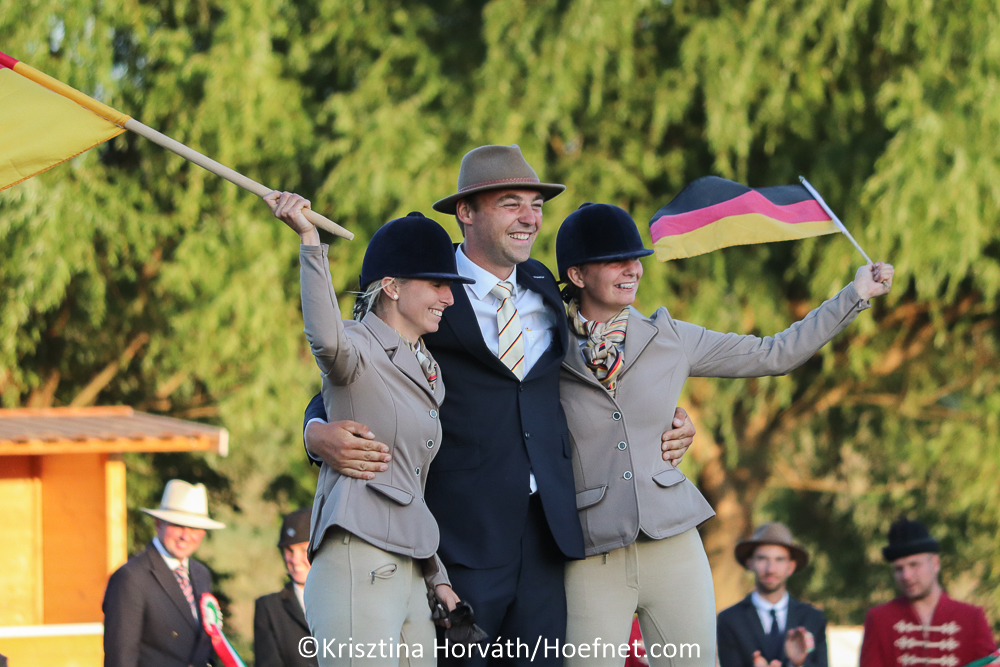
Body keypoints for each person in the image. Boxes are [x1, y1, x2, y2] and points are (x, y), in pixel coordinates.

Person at [301, 145, 697, 666]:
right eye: (511, 204)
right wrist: (315, 431)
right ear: (466, 212)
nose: (530, 218)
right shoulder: (427, 291)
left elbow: (603, 365)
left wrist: (666, 418)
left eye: (535, 205)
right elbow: (355, 371)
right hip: (460, 533)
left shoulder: (546, 289)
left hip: (549, 537)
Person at [554, 202, 893, 667]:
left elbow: (774, 353)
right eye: (616, 260)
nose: (633, 270)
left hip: (673, 543)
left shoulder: (671, 337)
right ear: (576, 274)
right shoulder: (545, 347)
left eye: (636, 259)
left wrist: (854, 294)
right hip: (591, 549)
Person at [266, 191, 470, 666]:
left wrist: (437, 576)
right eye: (437, 283)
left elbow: (409, 486)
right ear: (392, 287)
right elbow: (323, 337)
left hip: (410, 572)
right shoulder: (356, 346)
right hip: (357, 557)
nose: (449, 297)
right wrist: (310, 242)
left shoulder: (430, 372)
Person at [102, 479, 226, 667]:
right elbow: (120, 658)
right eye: (177, 525)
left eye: (193, 528)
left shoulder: (201, 574)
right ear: (158, 524)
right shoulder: (131, 578)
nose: (185, 536)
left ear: (203, 532)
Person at [859, 517, 997, 667]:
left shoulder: (971, 618)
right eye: (899, 569)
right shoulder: (879, 619)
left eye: (914, 565)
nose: (906, 576)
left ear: (935, 563)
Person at [717, 523, 828, 667]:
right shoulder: (730, 619)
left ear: (791, 566)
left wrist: (798, 664)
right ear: (750, 563)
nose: (771, 569)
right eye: (762, 559)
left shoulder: (813, 618)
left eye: (779, 559)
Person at [254, 507, 317, 667]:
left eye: (303, 550)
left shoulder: (347, 599)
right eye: (289, 550)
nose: (294, 560)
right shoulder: (269, 608)